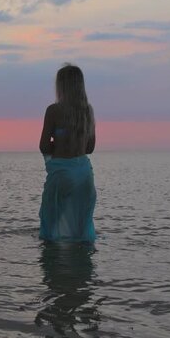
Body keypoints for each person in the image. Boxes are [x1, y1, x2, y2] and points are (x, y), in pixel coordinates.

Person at [38, 63, 96, 242]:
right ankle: (82, 269)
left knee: (52, 225)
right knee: (81, 228)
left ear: (61, 85)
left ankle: (54, 267)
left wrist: (58, 144)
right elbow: (90, 148)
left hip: (62, 174)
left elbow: (44, 146)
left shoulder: (54, 110)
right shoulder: (87, 111)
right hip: (84, 175)